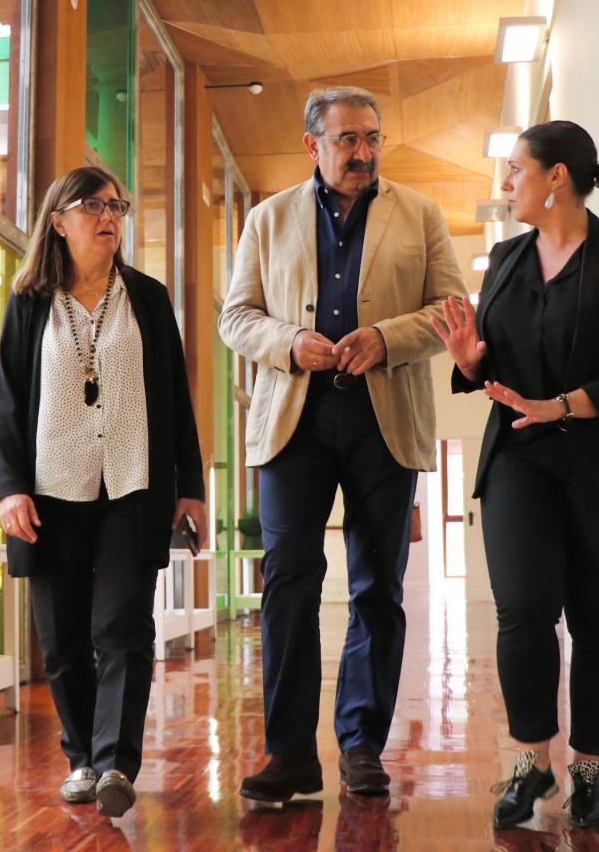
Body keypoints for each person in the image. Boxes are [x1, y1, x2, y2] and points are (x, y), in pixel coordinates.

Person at [430, 120, 599, 830]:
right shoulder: (509, 259)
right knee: (523, 612)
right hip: (520, 452)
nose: (506, 182)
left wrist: (564, 406)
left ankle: (588, 773)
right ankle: (529, 764)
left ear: (557, 177)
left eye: (516, 169)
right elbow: (495, 365)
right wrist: (469, 361)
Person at [219, 86, 466, 803]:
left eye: (371, 138)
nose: (362, 152)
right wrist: (290, 342)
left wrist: (386, 338)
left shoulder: (418, 215)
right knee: (288, 584)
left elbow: (451, 309)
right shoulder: (267, 219)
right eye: (347, 140)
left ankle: (362, 744)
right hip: (293, 422)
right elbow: (237, 318)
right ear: (313, 145)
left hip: (382, 416)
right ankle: (290, 753)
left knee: (376, 587)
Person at [0, 165, 208, 818]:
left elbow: (175, 397)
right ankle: (82, 757)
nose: (109, 215)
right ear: (59, 221)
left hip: (132, 483)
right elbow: (8, 405)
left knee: (121, 625)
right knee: (61, 639)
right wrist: (11, 490)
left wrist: (190, 485)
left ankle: (116, 763)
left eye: (118, 205)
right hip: (52, 489)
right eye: (93, 205)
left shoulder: (148, 297)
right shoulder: (30, 304)